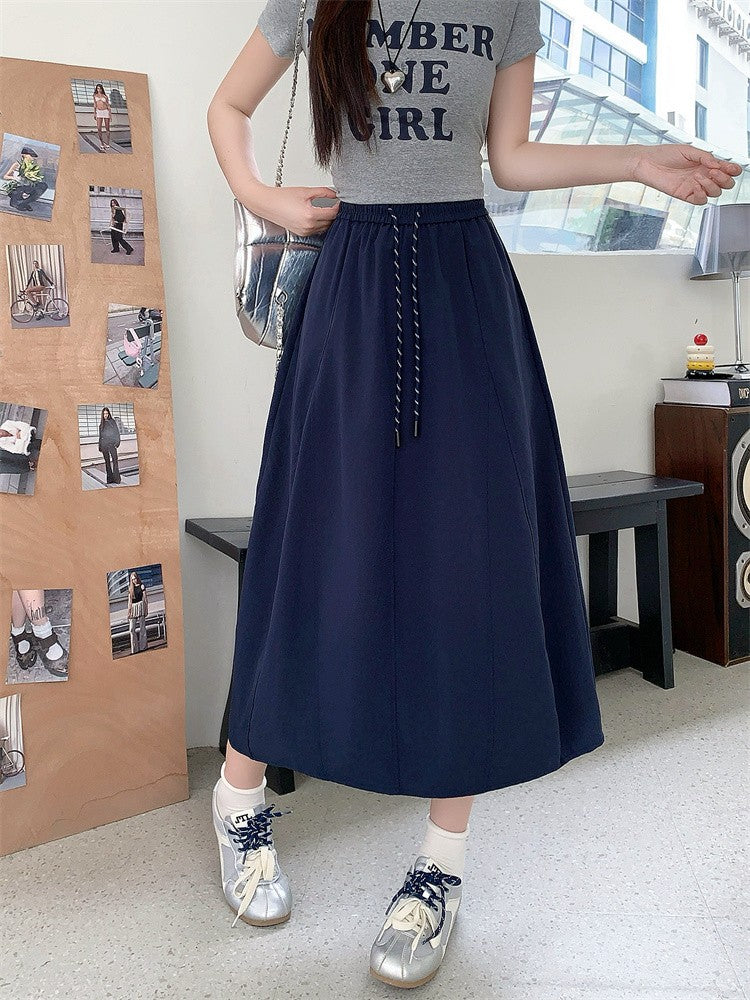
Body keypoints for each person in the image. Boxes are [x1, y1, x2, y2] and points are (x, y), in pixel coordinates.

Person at [206, 0, 741, 989]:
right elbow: (228, 106)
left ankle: (440, 867)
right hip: (352, 286)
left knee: (468, 565)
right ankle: (238, 800)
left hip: (464, 287)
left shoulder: (506, 2)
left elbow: (512, 159)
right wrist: (262, 195)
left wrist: (639, 162)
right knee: (314, 548)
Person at [2, 146, 48, 214]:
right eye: (31, 156)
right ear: (24, 155)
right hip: (18, 187)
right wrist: (14, 178)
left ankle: (23, 203)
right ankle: (20, 203)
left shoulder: (32, 166)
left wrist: (34, 178)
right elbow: (5, 176)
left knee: (43, 186)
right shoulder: (17, 164)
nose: (33, 158)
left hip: (27, 186)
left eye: (33, 157)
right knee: (17, 198)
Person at [97, 406, 121, 484]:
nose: (106, 415)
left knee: (115, 460)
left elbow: (117, 432)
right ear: (102, 415)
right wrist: (100, 446)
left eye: (107, 413)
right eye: (104, 414)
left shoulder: (112, 422)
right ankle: (110, 479)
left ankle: (116, 479)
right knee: (107, 462)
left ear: (109, 414)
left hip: (112, 444)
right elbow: (100, 436)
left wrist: (117, 443)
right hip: (104, 445)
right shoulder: (101, 425)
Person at [126, 571, 149, 654]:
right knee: (131, 629)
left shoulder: (142, 586)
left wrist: (146, 609)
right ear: (131, 580)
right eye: (132, 579)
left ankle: (143, 647)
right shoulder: (130, 589)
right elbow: (129, 602)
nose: (134, 580)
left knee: (142, 627)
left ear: (137, 578)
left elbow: (145, 599)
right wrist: (129, 612)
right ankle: (134, 649)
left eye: (135, 578)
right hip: (133, 608)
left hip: (141, 607)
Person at [93, 83, 112, 151]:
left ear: (102, 89)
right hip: (99, 112)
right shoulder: (95, 96)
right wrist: (94, 113)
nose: (99, 90)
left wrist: (110, 115)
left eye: (100, 88)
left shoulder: (105, 96)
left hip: (106, 111)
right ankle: (101, 143)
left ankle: (107, 143)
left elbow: (108, 105)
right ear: (96, 89)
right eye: (98, 88)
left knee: (107, 128)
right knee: (99, 128)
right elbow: (95, 105)